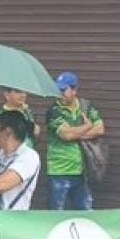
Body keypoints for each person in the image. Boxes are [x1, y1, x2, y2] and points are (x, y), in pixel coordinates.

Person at [45, 71, 104, 210]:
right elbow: (66, 135)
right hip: (58, 172)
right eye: (57, 90)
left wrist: (76, 133)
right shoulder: (54, 111)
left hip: (81, 171)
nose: (60, 93)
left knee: (85, 213)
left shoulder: (86, 107)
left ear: (75, 90)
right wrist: (87, 126)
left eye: (63, 90)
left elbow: (100, 129)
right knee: (55, 215)